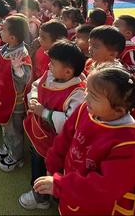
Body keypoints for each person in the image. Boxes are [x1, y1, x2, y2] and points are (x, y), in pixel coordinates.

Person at [33, 66, 135, 216]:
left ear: (119, 110)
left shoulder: (129, 147)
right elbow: (64, 139)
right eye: (87, 91)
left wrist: (60, 185)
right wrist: (53, 165)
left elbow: (104, 188)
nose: (85, 98)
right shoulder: (86, 109)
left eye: (93, 96)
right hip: (72, 190)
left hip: (95, 206)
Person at [20, 41, 86, 210]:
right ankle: (40, 195)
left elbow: (70, 124)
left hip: (56, 144)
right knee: (37, 162)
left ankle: (47, 197)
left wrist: (45, 113)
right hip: (39, 133)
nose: (49, 65)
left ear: (68, 71)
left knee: (52, 168)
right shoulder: (50, 75)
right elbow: (36, 86)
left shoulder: (77, 93)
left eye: (53, 63)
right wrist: (33, 98)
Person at [0, 15, 32, 171]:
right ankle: (8, 146)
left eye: (4, 28)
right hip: (3, 97)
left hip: (15, 102)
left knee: (14, 129)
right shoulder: (8, 47)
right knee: (6, 126)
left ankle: (16, 155)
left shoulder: (21, 54)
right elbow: (3, 66)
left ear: (12, 37)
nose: (0, 29)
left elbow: (25, 78)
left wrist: (17, 69)